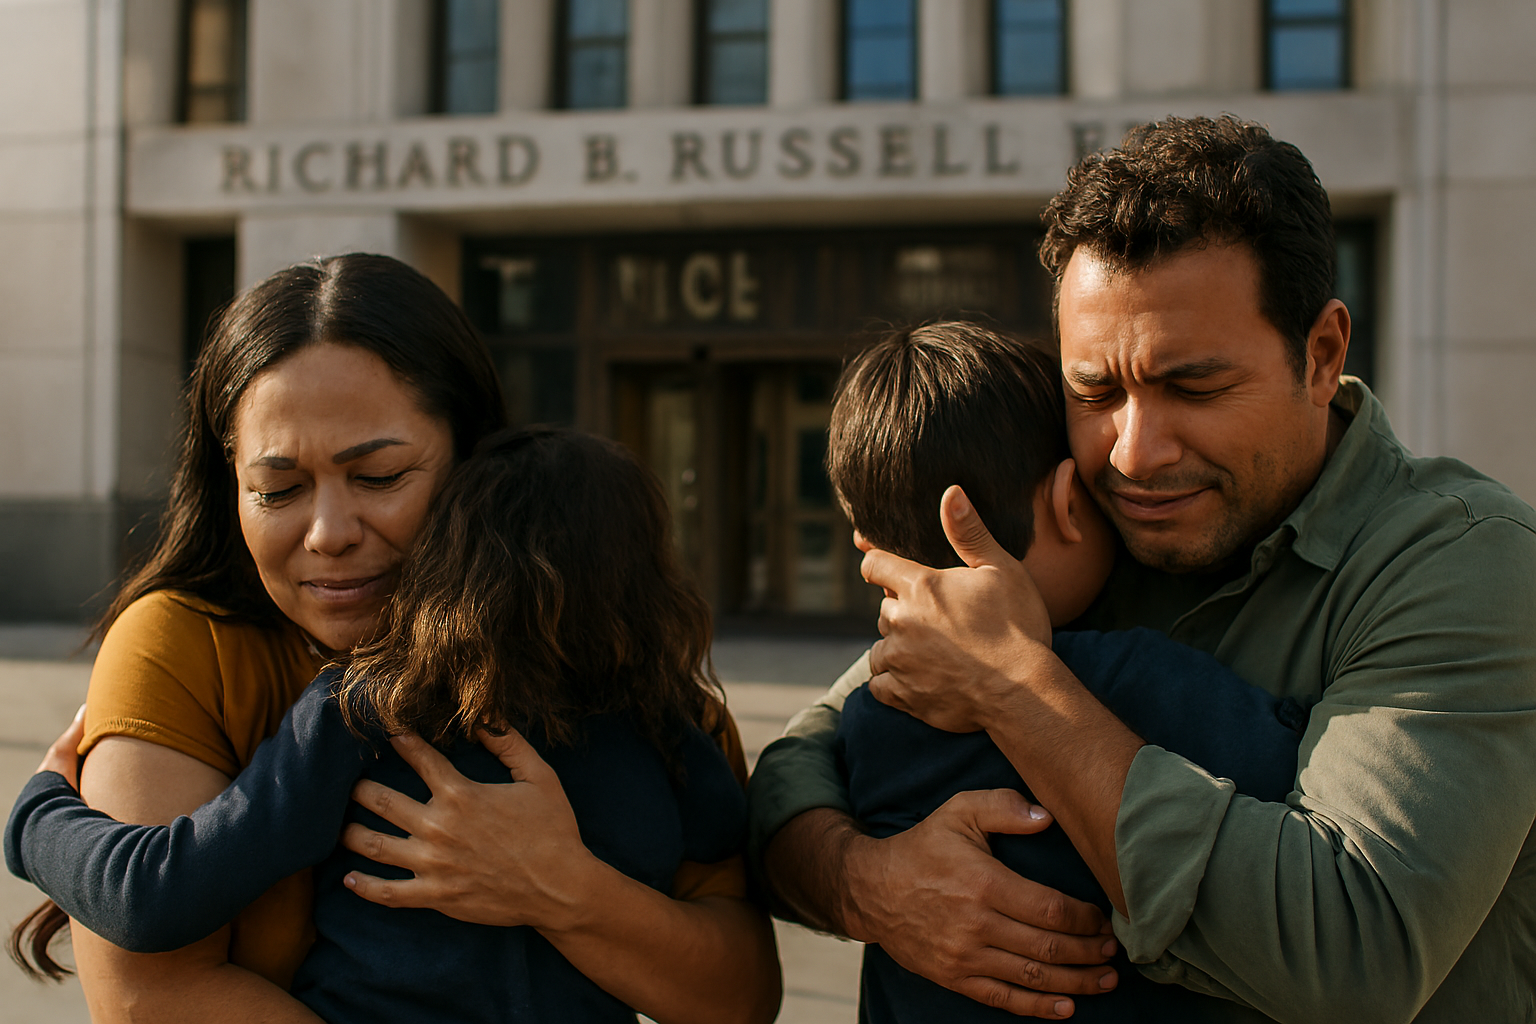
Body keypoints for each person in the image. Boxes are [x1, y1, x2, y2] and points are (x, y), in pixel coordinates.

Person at [748, 114, 1536, 1023]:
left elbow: (1353, 949)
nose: (1135, 452)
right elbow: (802, 767)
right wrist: (870, 884)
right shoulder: (1086, 524)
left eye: (1193, 388)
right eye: (1095, 393)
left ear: (1320, 356)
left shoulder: (1463, 561)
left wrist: (1020, 688)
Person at [8, 253, 777, 1024]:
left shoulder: (363, 702)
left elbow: (739, 994)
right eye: (277, 490)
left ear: (475, 463)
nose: (329, 533)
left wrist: (565, 887)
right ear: (228, 485)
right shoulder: (654, 709)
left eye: (378, 477)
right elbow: (152, 996)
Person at [823, 322, 1307, 1022]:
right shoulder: (1135, 678)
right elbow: (1289, 761)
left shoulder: (871, 712)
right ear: (1070, 502)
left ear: (871, 548)